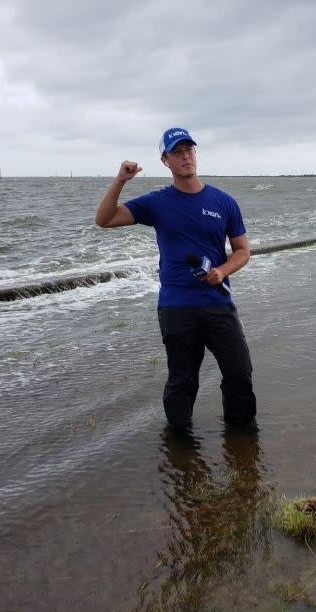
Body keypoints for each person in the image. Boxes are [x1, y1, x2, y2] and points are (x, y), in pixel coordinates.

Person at [95, 128, 257, 433]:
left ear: (195, 154)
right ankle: (180, 444)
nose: (185, 156)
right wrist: (120, 181)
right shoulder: (157, 202)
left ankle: (243, 438)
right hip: (176, 306)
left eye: (189, 150)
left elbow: (242, 251)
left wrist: (222, 270)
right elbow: (104, 220)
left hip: (218, 302)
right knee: (183, 380)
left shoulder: (223, 201)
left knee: (239, 373)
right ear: (165, 160)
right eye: (177, 152)